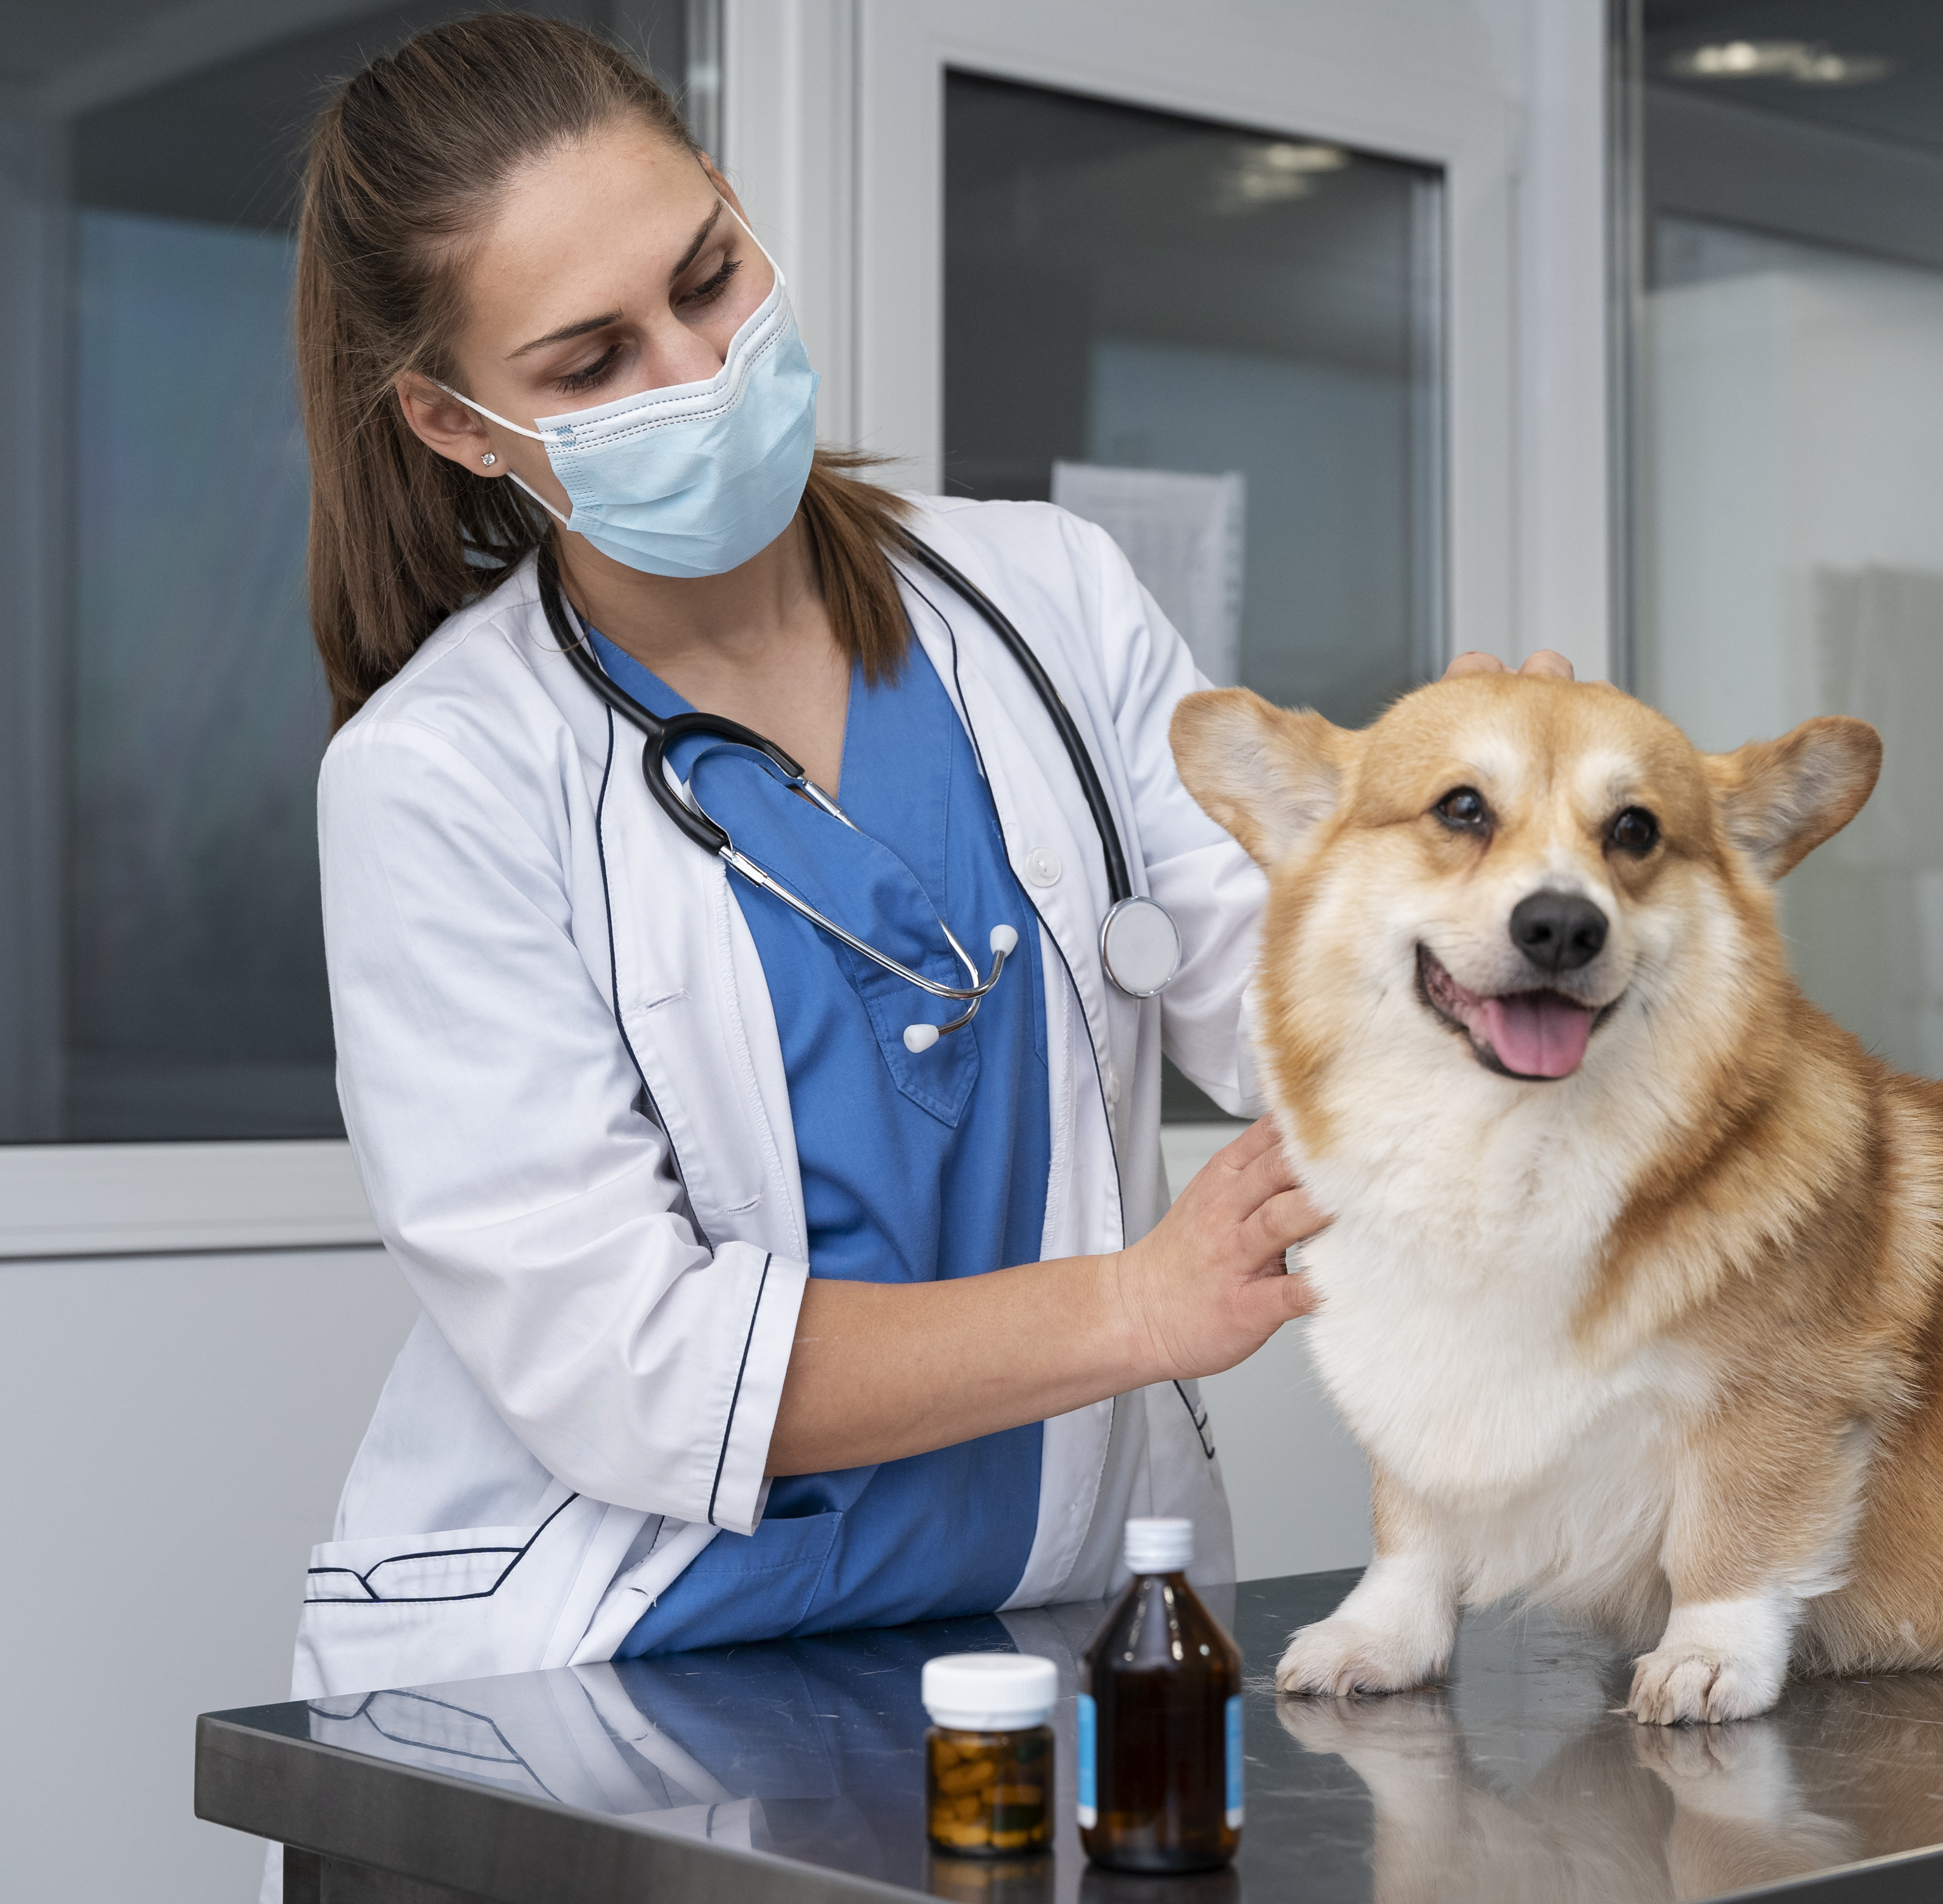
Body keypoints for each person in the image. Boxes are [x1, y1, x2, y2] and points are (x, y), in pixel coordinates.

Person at [287, 13, 1570, 1701]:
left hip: (1033, 1630)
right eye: (589, 364)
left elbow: (1291, 1018)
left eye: (709, 279)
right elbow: (629, 1362)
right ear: (458, 427)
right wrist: (1135, 1307)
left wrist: (1467, 897)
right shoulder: (441, 778)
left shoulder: (1047, 602)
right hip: (611, 1668)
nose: (697, 372)